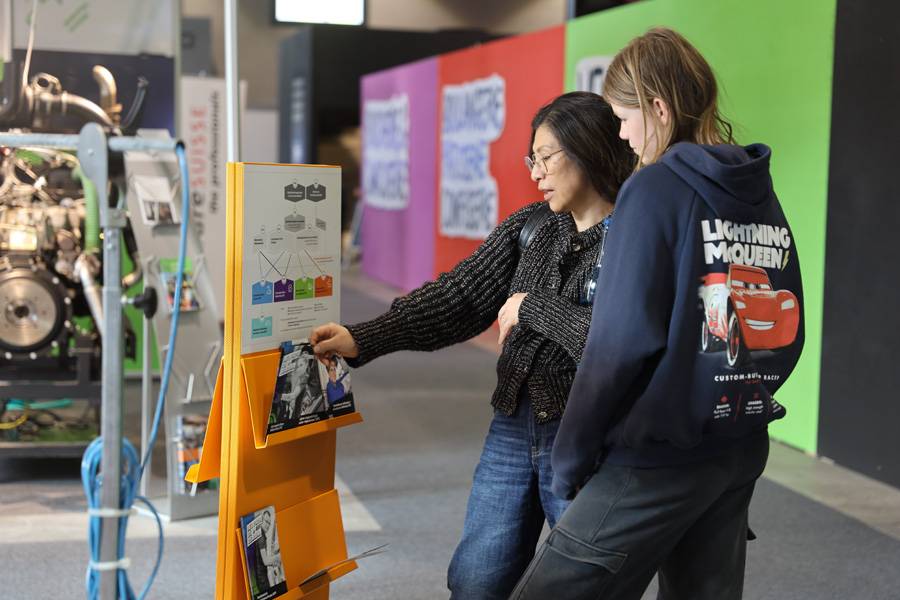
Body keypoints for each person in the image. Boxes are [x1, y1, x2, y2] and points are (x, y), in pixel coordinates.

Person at [509, 28, 805, 600]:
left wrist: (570, 457)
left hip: (658, 455)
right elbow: (782, 321)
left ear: (659, 108)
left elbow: (618, 344)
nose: (621, 134)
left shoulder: (653, 188)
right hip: (740, 440)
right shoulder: (758, 190)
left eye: (624, 116)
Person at [310, 91, 633, 599]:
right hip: (512, 426)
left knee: (586, 587)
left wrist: (533, 307)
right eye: (533, 159)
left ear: (590, 149)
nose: (536, 172)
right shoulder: (532, 228)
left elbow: (619, 348)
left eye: (547, 157)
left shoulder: (636, 240)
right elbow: (456, 299)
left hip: (588, 441)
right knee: (475, 581)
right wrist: (363, 338)